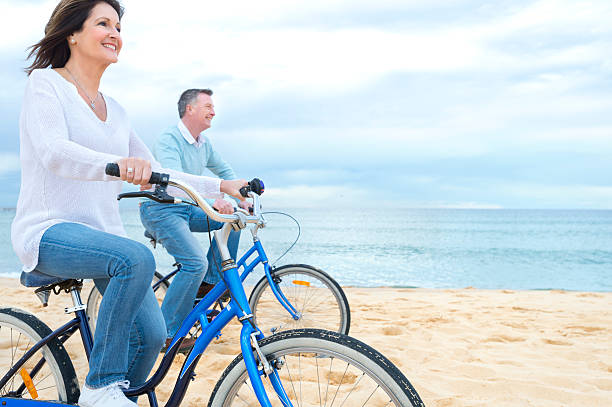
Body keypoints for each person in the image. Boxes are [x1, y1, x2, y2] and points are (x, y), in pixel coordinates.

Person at [10, 1, 247, 406]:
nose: (115, 33)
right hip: (49, 232)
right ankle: (101, 388)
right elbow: (53, 152)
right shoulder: (45, 85)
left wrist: (222, 187)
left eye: (118, 26)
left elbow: (160, 175)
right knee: (136, 257)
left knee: (152, 337)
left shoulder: (116, 111)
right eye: (103, 23)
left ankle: (117, 398)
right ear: (72, 33)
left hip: (103, 239)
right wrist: (117, 166)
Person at [139, 89, 251, 351]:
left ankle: (209, 282)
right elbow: (174, 178)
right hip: (161, 209)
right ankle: (166, 335)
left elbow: (224, 171)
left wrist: (241, 197)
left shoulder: (204, 143)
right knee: (194, 262)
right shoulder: (170, 139)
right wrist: (212, 200)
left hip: (188, 207)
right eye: (208, 106)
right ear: (189, 109)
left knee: (232, 219)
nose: (214, 111)